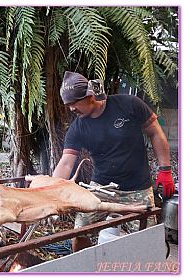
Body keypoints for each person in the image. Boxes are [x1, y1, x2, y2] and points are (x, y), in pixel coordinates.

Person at [53, 71, 175, 252]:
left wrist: (165, 170)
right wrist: (51, 191)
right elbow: (66, 163)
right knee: (79, 231)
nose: (71, 108)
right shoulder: (78, 128)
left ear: (90, 96)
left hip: (137, 188)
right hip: (101, 189)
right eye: (68, 104)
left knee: (147, 242)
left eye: (74, 102)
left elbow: (155, 132)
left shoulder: (129, 105)